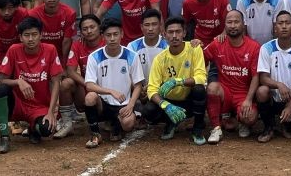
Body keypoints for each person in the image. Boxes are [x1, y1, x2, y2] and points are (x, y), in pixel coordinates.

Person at [0, 16, 64, 154]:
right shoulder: (14, 49)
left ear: (41, 35)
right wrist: (18, 81)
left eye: (34, 34)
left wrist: (51, 111)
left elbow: (56, 82)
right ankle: (4, 137)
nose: (30, 39)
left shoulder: (50, 50)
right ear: (20, 37)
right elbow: (1, 80)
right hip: (18, 103)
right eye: (26, 35)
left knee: (47, 129)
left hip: (40, 106)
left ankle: (33, 129)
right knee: (1, 90)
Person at [142, 15, 207, 144]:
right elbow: (151, 89)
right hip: (170, 102)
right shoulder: (159, 59)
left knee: (199, 90)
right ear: (164, 34)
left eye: (178, 31)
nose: (174, 36)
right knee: (149, 111)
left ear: (184, 33)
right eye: (170, 32)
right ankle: (171, 121)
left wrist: (178, 81)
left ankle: (197, 129)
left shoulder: (195, 49)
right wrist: (166, 105)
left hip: (189, 100)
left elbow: (201, 77)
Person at [82, 18, 144, 148]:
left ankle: (116, 124)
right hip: (103, 104)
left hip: (123, 104)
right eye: (108, 35)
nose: (112, 38)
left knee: (128, 124)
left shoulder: (131, 55)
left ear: (121, 34)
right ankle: (95, 134)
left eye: (115, 34)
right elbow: (89, 85)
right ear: (102, 36)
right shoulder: (95, 56)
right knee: (90, 97)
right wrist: (110, 91)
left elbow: (138, 84)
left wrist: (131, 105)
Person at [30, 0, 78, 138]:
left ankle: (65, 119)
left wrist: (62, 65)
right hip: (40, 55)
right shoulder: (34, 13)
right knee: (38, 83)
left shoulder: (69, 13)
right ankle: (33, 119)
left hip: (59, 55)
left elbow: (66, 40)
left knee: (61, 83)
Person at [203, 10, 261, 143]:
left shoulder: (254, 47)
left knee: (250, 118)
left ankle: (240, 121)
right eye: (229, 22)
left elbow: (255, 77)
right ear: (224, 25)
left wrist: (248, 100)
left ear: (243, 24)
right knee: (212, 87)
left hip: (243, 94)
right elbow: (200, 59)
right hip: (225, 92)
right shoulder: (217, 44)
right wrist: (194, 44)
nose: (233, 25)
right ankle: (216, 128)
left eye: (236, 22)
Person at [256, 11, 291, 142]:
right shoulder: (266, 48)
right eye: (280, 23)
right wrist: (279, 84)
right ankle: (269, 127)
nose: (284, 26)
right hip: (272, 97)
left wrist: (290, 106)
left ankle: (287, 125)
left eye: (287, 23)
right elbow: (263, 78)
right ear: (275, 28)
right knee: (262, 91)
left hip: (289, 97)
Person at [127, 9, 167, 81]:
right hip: (139, 89)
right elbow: (128, 74)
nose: (150, 29)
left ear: (160, 26)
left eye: (154, 24)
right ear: (141, 27)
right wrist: (139, 88)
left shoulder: (167, 46)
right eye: (147, 25)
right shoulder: (133, 46)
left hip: (163, 89)